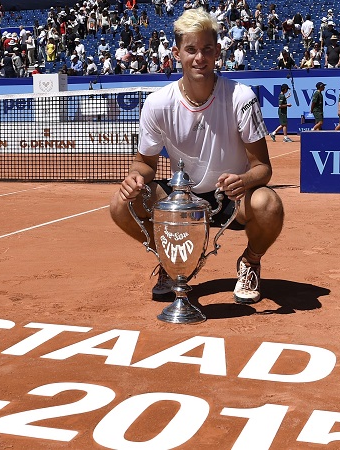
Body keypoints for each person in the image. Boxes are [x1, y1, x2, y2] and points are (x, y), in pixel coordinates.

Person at [109, 8, 284, 305]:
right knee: (120, 205)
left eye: (206, 49)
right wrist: (135, 177)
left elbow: (262, 168)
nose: (199, 57)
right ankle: (170, 261)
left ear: (217, 52)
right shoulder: (157, 104)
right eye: (191, 49)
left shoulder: (241, 97)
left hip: (231, 197)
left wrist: (243, 180)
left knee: (269, 204)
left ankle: (251, 261)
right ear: (177, 53)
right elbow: (145, 163)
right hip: (182, 198)